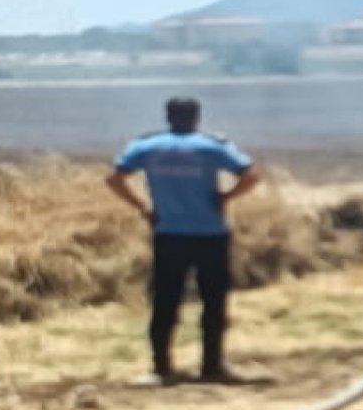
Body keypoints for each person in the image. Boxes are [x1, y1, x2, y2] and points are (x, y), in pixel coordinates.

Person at [106, 97, 261, 386]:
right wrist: (227, 197)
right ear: (196, 117)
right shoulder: (211, 146)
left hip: (168, 232)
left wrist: (142, 207)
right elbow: (251, 174)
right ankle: (212, 366)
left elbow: (114, 178)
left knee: (165, 300)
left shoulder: (147, 147)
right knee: (213, 301)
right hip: (210, 234)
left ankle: (161, 367)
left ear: (168, 117)